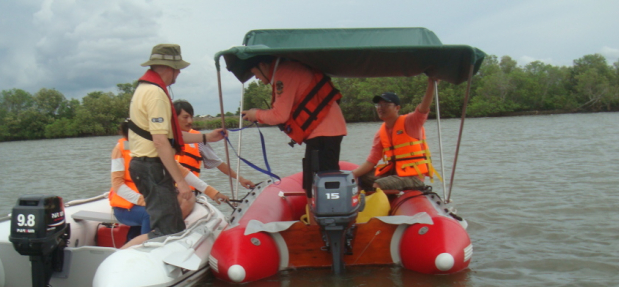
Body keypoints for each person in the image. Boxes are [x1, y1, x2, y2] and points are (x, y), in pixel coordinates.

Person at [126, 44, 226, 246]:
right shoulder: (155, 94)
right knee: (167, 230)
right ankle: (121, 257)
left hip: (145, 167)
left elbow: (169, 136)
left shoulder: (143, 89)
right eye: (178, 68)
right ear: (168, 68)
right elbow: (160, 141)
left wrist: (207, 138)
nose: (179, 73)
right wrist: (181, 183)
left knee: (172, 227)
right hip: (151, 168)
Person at [240, 56, 347, 197]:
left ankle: (330, 215)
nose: (257, 78)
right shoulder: (287, 69)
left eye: (255, 73)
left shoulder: (283, 74)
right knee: (312, 184)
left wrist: (256, 114)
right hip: (325, 132)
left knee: (322, 185)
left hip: (324, 133)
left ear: (262, 65)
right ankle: (322, 214)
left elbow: (279, 116)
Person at [351, 78, 440, 191]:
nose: (381, 108)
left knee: (379, 184)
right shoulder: (381, 133)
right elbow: (371, 161)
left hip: (413, 177)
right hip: (394, 174)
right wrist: (352, 175)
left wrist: (431, 84)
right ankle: (363, 204)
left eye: (386, 105)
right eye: (379, 105)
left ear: (397, 108)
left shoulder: (411, 122)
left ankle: (389, 198)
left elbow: (423, 108)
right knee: (362, 178)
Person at [173, 99, 255, 189]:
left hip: (190, 194)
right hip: (169, 193)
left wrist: (240, 179)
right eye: (185, 117)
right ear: (174, 118)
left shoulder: (199, 139)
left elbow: (217, 162)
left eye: (191, 117)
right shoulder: (163, 140)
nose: (190, 121)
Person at [109, 121, 150, 242]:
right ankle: (146, 249)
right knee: (150, 213)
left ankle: (134, 240)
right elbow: (117, 185)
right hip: (125, 206)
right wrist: (142, 200)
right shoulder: (119, 150)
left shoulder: (150, 148)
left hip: (147, 201)